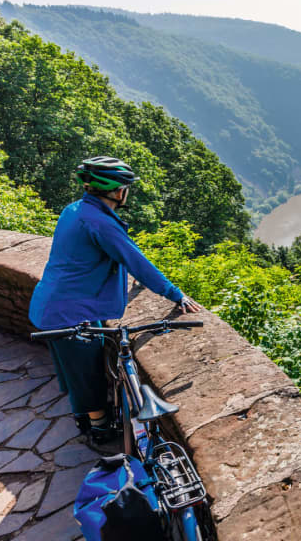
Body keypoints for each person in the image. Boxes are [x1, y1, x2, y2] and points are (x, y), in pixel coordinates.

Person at [29, 156, 201, 444]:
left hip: (54, 303)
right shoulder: (100, 223)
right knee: (87, 376)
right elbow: (137, 262)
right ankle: (99, 429)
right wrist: (175, 294)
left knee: (77, 369)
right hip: (69, 312)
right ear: (119, 191)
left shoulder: (74, 210)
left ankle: (84, 417)